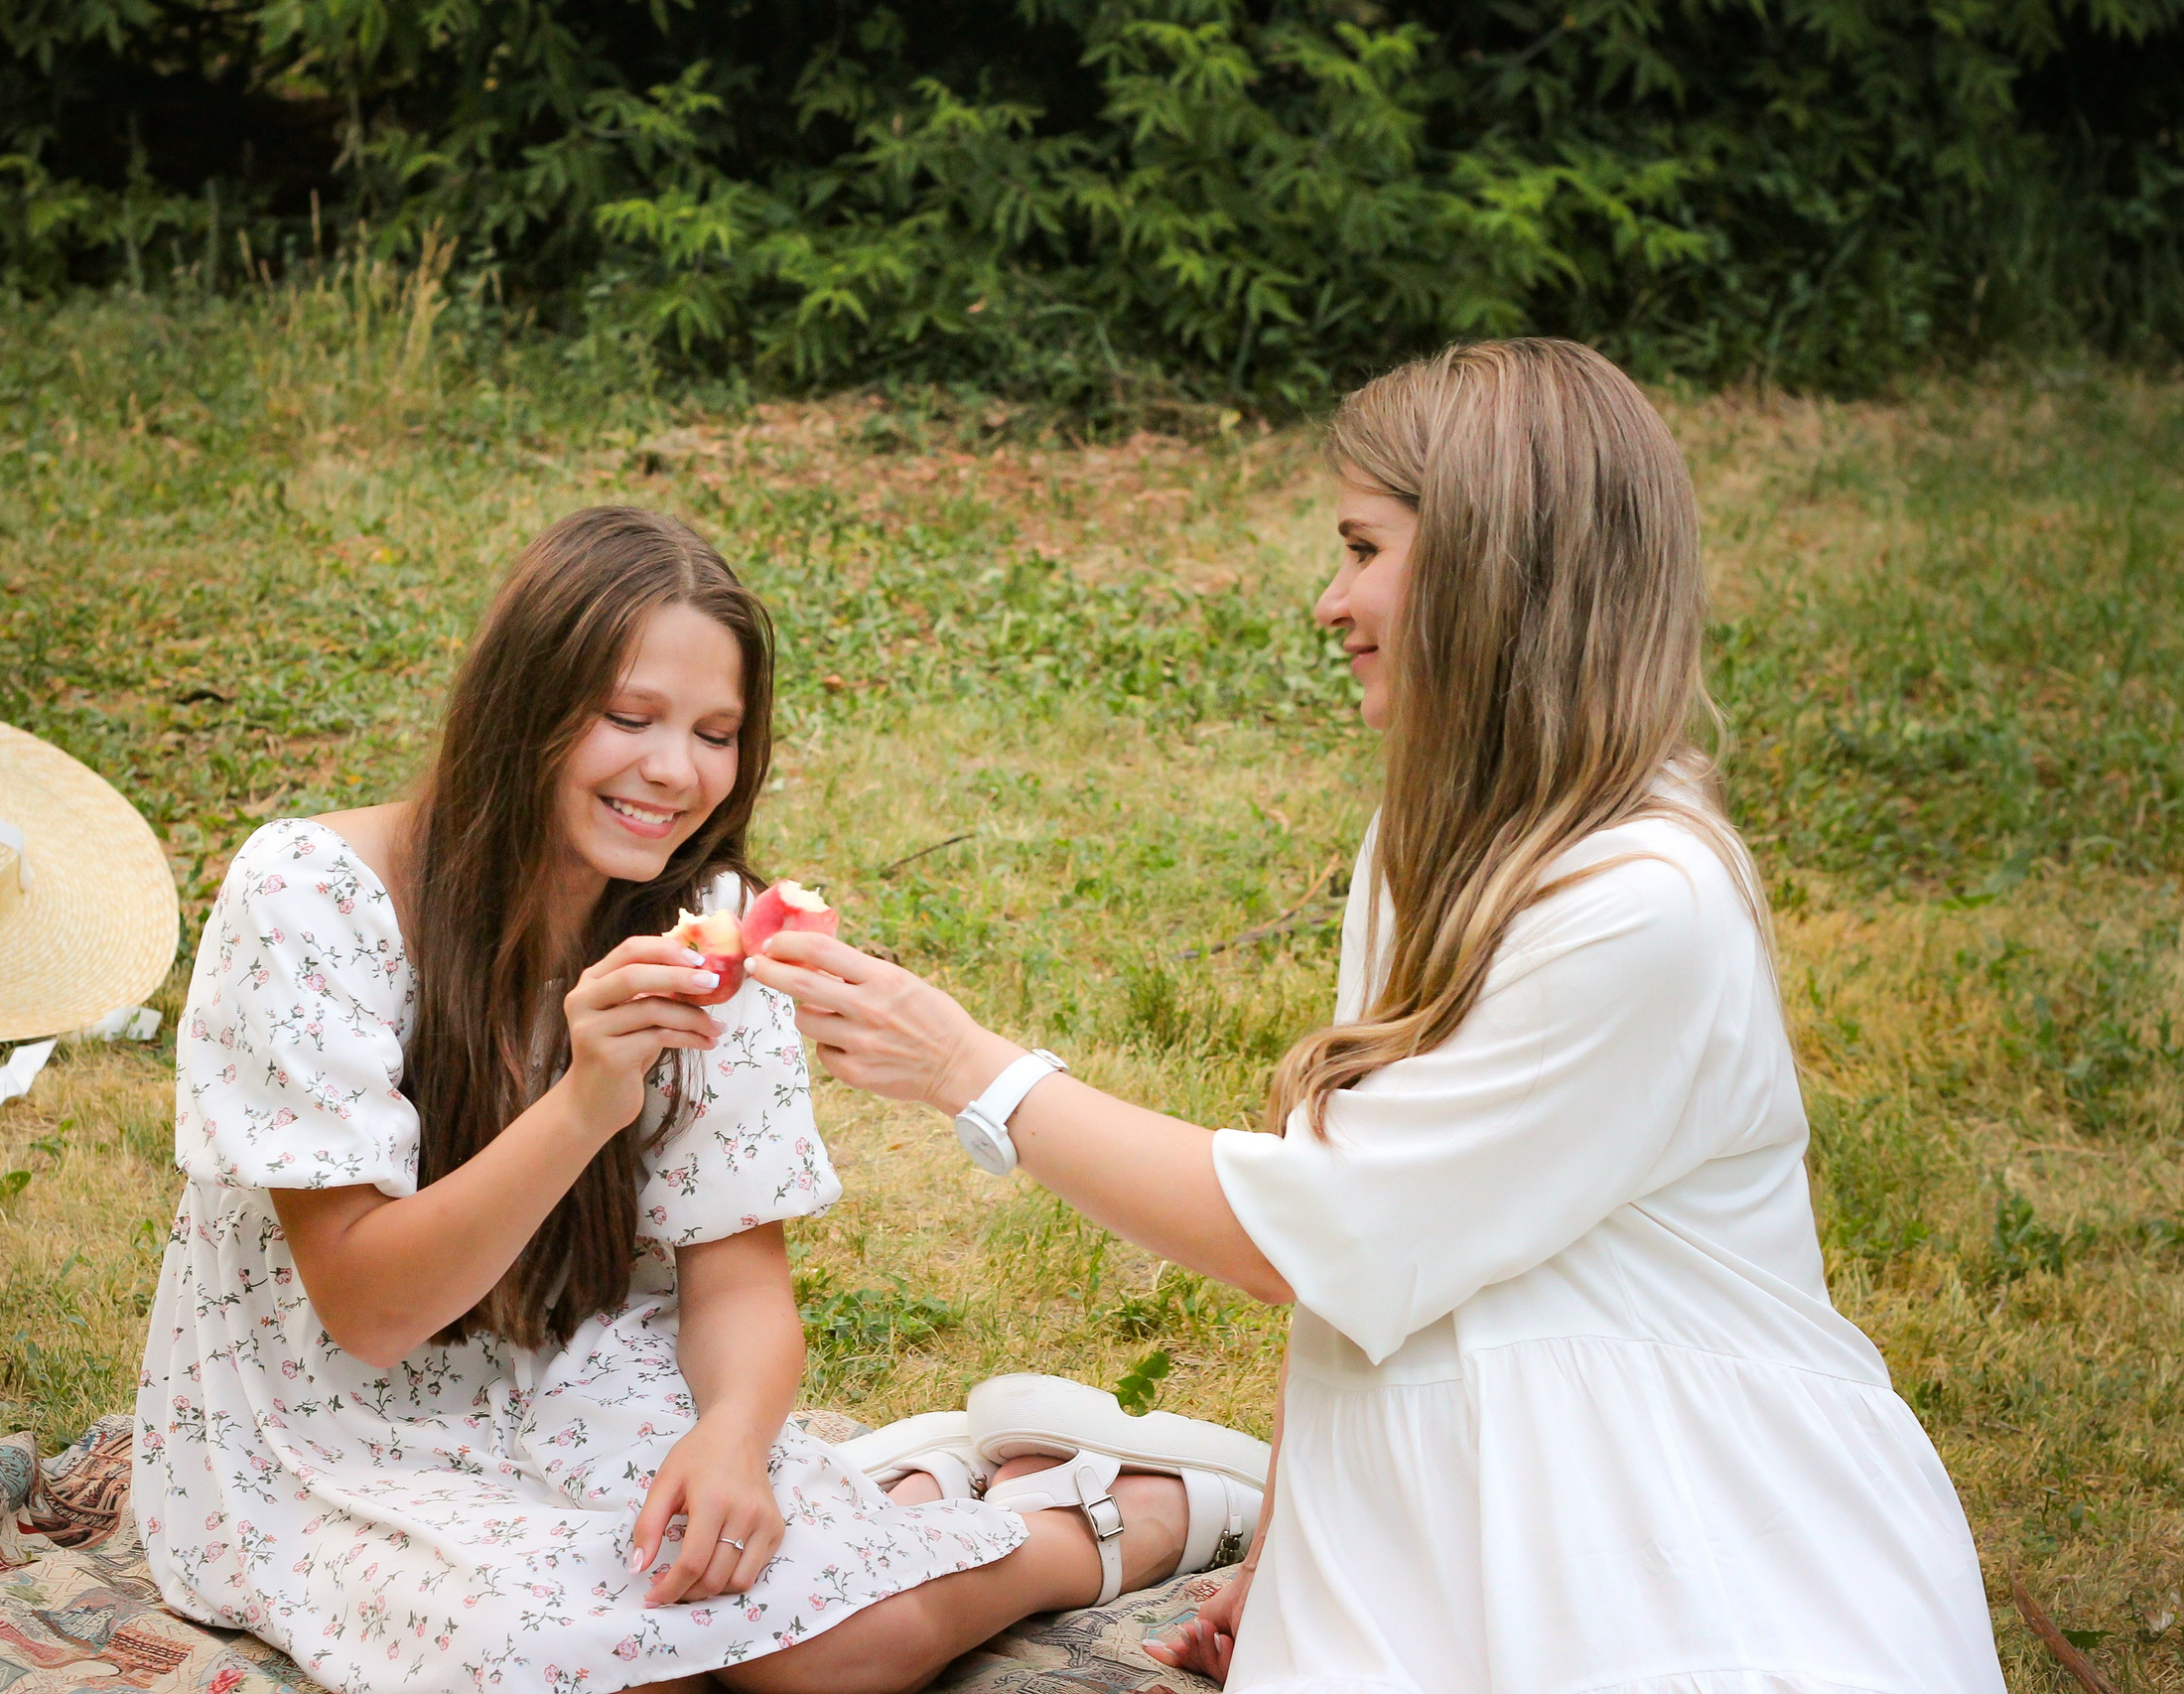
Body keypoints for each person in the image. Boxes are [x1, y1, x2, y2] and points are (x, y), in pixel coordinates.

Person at [750, 342, 2010, 1692]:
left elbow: (1323, 1235)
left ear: (1493, 567)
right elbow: (1370, 1281)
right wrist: (1290, 1550)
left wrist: (973, 1071)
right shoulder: (1435, 846)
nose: (1328, 600)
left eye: (1364, 546)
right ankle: (1187, 1501)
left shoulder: (1646, 902)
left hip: (1667, 1524)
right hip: (1450, 1478)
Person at [131, 505, 1252, 1694]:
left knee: (842, 1655)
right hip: (334, 1430)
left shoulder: (703, 923)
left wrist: (731, 1434)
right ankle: (912, 1490)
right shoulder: (311, 899)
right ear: (522, 706)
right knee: (588, 1663)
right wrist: (582, 1102)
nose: (674, 772)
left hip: (581, 1371)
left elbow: (740, 1283)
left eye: (716, 732)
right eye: (628, 718)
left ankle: (1106, 1510)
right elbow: (367, 1308)